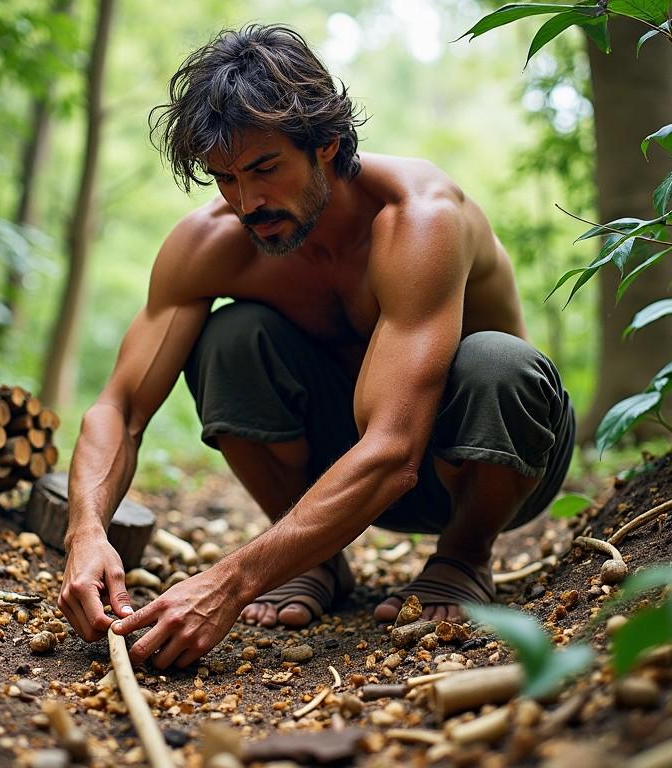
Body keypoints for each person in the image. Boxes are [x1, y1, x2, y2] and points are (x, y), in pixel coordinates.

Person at [56, 24, 574, 670]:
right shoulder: (211, 244)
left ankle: (463, 558)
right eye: (224, 178)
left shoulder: (419, 221)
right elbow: (120, 409)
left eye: (265, 169)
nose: (247, 201)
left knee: (500, 362)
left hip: (484, 459)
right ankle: (317, 560)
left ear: (327, 144)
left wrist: (230, 581)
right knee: (229, 337)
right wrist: (86, 533)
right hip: (341, 470)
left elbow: (394, 453)